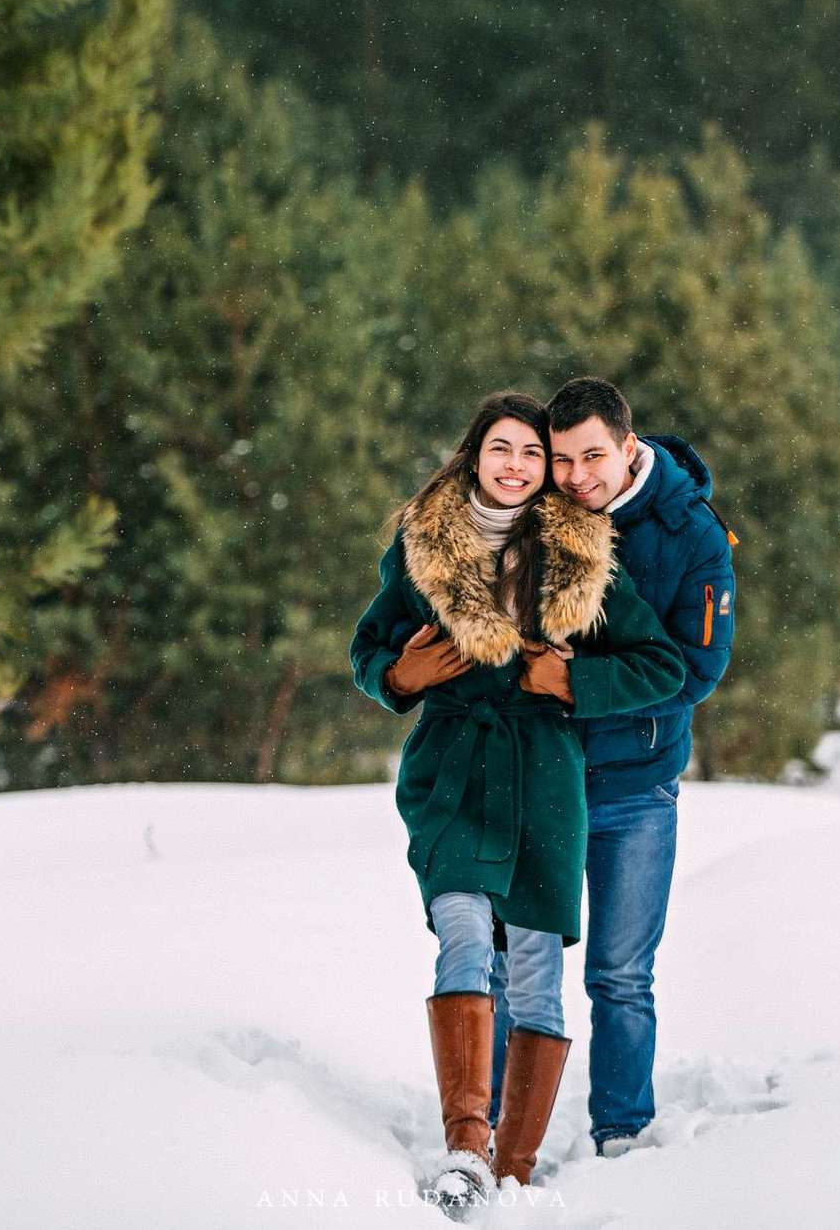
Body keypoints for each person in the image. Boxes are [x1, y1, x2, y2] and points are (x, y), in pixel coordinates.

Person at [350, 392, 686, 1215]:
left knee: (536, 968)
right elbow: (368, 646)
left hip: (544, 775)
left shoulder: (577, 555)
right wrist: (401, 676)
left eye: (533, 455)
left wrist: (572, 680)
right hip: (454, 770)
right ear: (474, 455)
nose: (515, 465)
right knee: (462, 929)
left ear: (547, 472)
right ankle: (466, 1142)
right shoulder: (422, 546)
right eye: (501, 448)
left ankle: (516, 1164)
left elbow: (662, 665)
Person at [489, 376, 736, 1157]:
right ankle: (492, 1123)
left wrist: (578, 685)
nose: (577, 476)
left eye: (593, 455)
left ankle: (621, 1127)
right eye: (562, 459)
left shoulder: (690, 531)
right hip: (545, 775)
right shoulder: (542, 513)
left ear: (630, 448)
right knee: (510, 963)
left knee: (621, 974)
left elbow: (698, 669)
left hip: (636, 783)